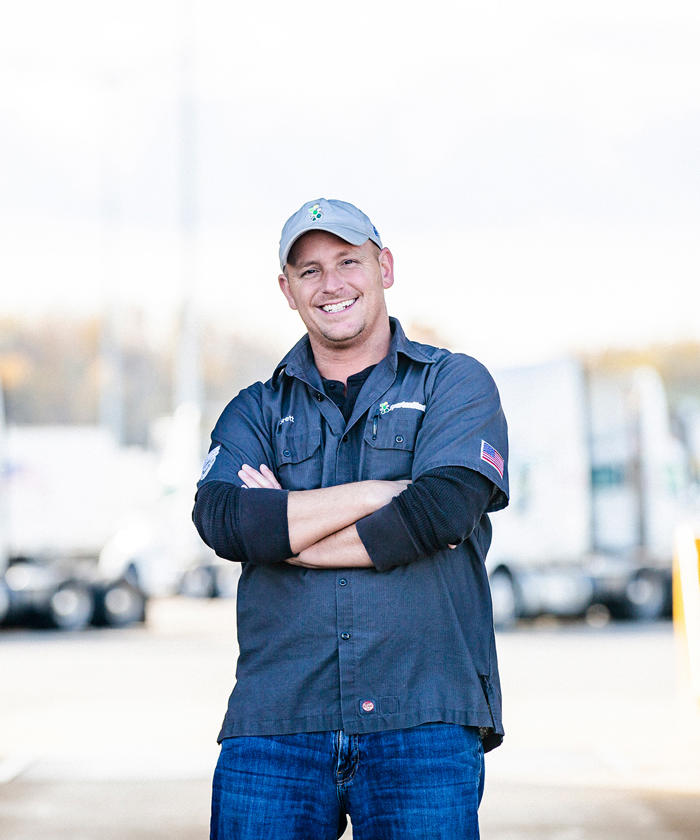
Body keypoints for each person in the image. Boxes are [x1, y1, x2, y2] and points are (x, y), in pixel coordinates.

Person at [193, 197, 509, 840]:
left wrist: (289, 531)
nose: (331, 283)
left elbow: (440, 510)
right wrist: (380, 493)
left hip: (423, 721)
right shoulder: (253, 410)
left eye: (348, 260)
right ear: (287, 290)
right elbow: (227, 521)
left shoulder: (454, 384)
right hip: (275, 727)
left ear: (384, 267)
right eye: (308, 271)